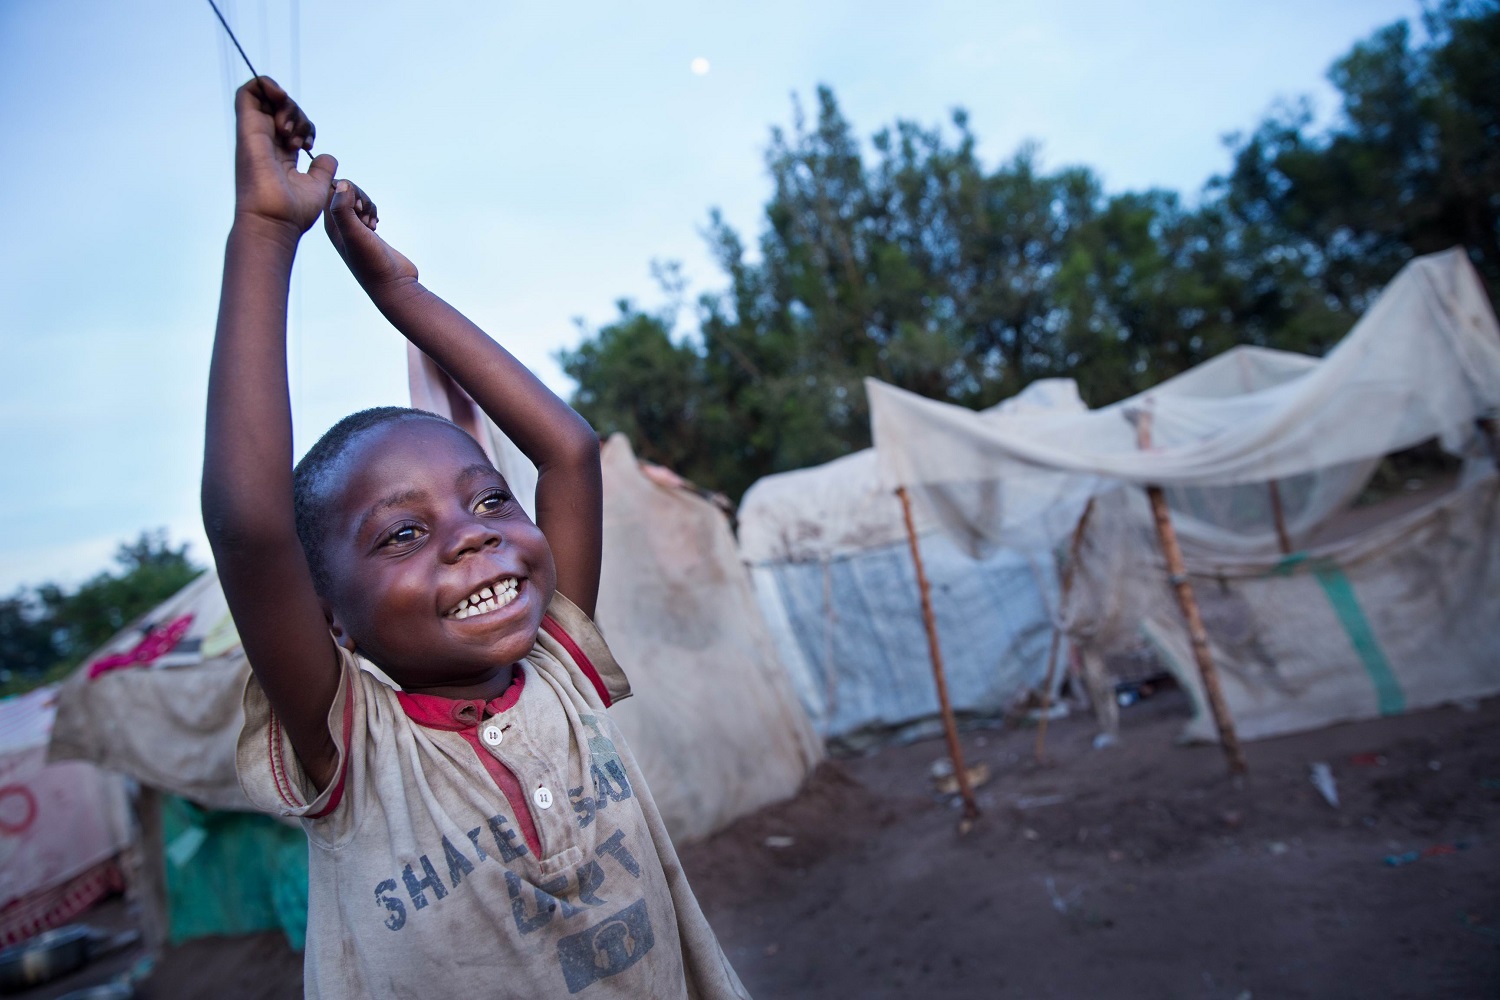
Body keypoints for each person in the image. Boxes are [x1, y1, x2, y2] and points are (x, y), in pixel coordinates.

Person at [202, 76, 750, 999]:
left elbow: (567, 452)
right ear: (328, 615)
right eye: (405, 532)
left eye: (492, 502)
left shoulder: (559, 663)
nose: (472, 538)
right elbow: (251, 530)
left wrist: (398, 289)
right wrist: (264, 231)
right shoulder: (354, 749)